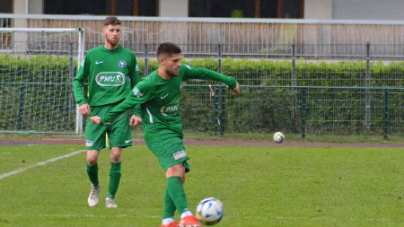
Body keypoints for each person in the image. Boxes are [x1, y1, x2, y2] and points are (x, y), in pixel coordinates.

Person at [90, 42, 240, 226]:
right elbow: (126, 104)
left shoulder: (181, 72)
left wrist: (230, 81)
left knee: (179, 175)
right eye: (174, 61)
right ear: (162, 61)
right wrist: (104, 120)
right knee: (176, 169)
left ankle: (167, 220)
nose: (178, 64)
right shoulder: (148, 84)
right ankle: (187, 217)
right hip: (157, 133)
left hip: (174, 131)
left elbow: (203, 73)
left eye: (180, 60)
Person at [72, 16, 142, 208]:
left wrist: (136, 111)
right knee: (92, 158)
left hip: (120, 111)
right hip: (96, 112)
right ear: (103, 32)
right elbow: (78, 80)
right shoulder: (93, 55)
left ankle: (111, 197)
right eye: (111, 30)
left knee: (116, 155)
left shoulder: (128, 56)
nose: (115, 33)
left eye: (118, 30)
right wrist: (82, 101)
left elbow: (137, 86)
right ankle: (95, 186)